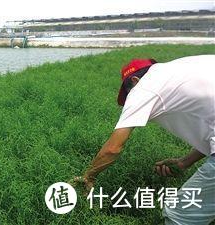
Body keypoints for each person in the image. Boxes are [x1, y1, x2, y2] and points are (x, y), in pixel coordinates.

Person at [73, 55, 215, 224]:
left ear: (134, 80)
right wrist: (184, 162)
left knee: (178, 214)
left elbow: (113, 148)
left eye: (128, 93)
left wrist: (88, 177)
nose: (130, 98)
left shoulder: (144, 88)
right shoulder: (183, 68)